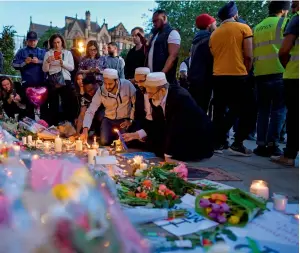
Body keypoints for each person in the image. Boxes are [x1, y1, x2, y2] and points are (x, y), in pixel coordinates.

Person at [129, 72, 213, 162]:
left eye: (151, 93)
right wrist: (137, 134)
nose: (148, 96)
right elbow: (157, 123)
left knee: (172, 152)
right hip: (174, 130)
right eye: (147, 92)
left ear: (162, 91)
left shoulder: (180, 98)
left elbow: (177, 128)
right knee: (150, 143)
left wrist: (168, 154)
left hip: (194, 133)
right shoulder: (154, 97)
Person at [209, 1, 255, 156]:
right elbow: (248, 55)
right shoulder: (243, 28)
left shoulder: (214, 33)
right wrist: (247, 71)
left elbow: (214, 54)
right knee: (245, 109)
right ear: (235, 14)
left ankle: (217, 141)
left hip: (218, 76)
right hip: (238, 75)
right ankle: (238, 142)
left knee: (219, 110)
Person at [253, 1, 290, 157]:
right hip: (279, 70)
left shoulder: (258, 26)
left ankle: (261, 144)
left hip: (260, 72)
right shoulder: (285, 22)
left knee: (263, 110)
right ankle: (272, 144)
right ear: (282, 10)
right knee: (279, 110)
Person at [272, 2, 299, 166]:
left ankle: (289, 155)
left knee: (294, 116)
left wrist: (286, 65)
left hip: (295, 75)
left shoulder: (297, 20)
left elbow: (283, 50)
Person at [81, 68, 136, 146]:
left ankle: (117, 137)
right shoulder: (101, 91)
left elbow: (135, 103)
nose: (107, 87)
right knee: (104, 142)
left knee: (125, 143)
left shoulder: (127, 85)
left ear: (116, 81)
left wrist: (130, 120)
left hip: (124, 120)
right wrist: (85, 128)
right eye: (105, 83)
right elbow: (90, 110)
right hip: (108, 119)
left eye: (110, 84)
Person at [12, 31, 46, 119]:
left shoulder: (42, 51)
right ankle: (30, 128)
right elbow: (14, 64)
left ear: (37, 41)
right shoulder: (21, 51)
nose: (33, 42)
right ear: (27, 41)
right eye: (30, 41)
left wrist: (38, 61)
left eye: (34, 40)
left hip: (41, 84)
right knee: (29, 108)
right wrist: (24, 63)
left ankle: (43, 128)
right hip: (27, 84)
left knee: (43, 108)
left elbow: (48, 63)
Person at [42, 33, 74, 126]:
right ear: (51, 43)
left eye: (58, 42)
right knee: (53, 104)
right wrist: (48, 61)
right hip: (53, 80)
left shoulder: (67, 53)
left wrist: (62, 62)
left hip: (65, 79)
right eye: (54, 42)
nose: (56, 44)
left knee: (67, 102)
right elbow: (44, 69)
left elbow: (72, 67)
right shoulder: (48, 53)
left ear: (62, 42)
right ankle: (53, 125)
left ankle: (67, 124)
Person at [188, 14, 217, 113]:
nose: (216, 25)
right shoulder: (209, 39)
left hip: (194, 79)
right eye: (214, 23)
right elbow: (211, 60)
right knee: (203, 110)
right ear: (209, 25)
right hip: (204, 80)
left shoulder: (196, 40)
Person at [147, 10, 181, 84]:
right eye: (153, 21)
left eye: (156, 21)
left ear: (164, 18)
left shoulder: (172, 33)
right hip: (152, 78)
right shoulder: (155, 35)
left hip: (165, 80)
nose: (154, 24)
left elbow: (173, 56)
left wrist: (161, 74)